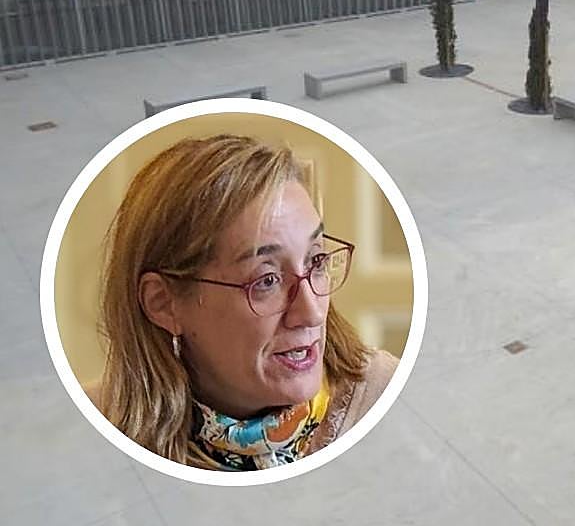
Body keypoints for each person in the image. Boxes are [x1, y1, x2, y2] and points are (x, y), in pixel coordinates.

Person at [86, 134, 398, 470]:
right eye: (266, 281)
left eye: (316, 260)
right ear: (164, 303)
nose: (311, 312)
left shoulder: (385, 394)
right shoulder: (95, 428)